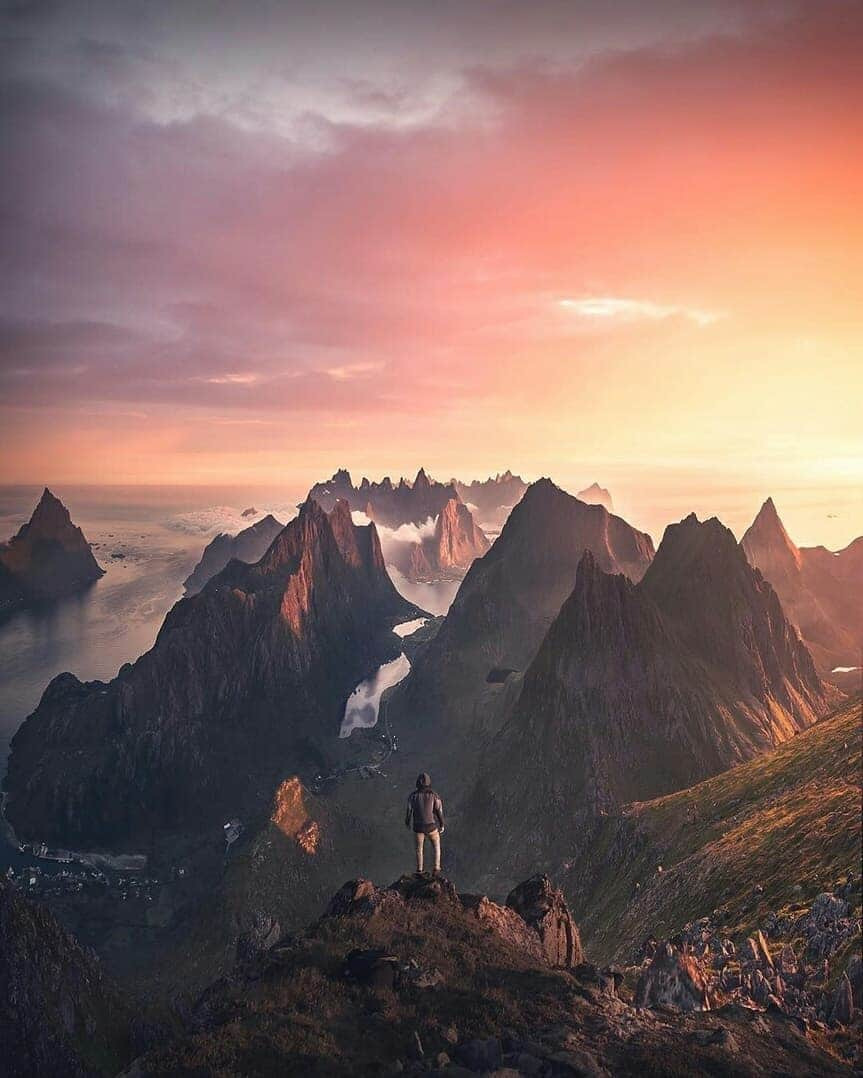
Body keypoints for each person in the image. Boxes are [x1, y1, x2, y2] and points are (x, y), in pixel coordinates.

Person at [405, 772, 445, 874]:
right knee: (436, 847)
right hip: (431, 827)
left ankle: (420, 870)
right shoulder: (434, 795)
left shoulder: (412, 796)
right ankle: (436, 868)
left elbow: (409, 811)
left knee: (419, 849)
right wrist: (442, 824)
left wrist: (407, 823)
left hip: (418, 827)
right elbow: (438, 811)